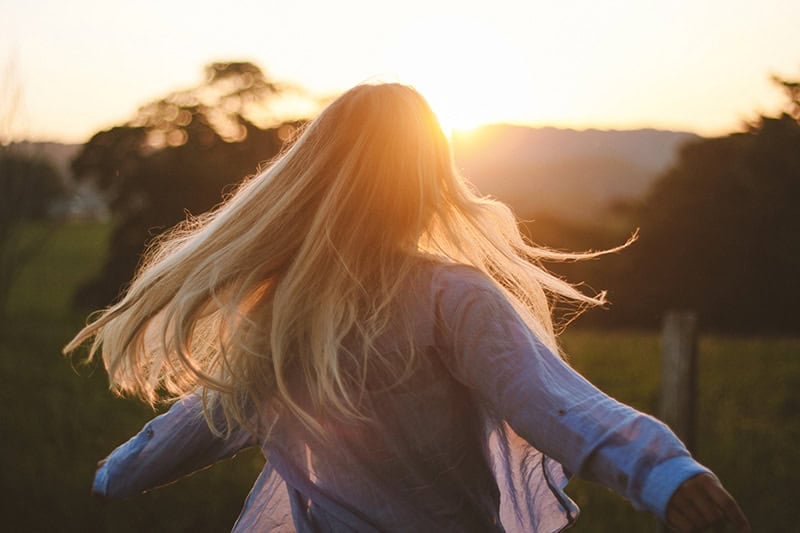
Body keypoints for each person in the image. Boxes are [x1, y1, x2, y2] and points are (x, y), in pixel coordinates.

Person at [65, 83, 750, 532]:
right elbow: (552, 403)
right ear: (429, 177)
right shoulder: (448, 295)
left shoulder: (291, 315)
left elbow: (199, 423)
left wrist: (105, 479)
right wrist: (665, 472)